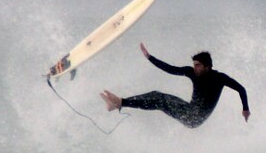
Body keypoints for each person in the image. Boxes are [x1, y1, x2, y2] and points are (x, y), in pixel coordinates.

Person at [102, 43, 250, 128]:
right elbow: (170, 69)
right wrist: (149, 57)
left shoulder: (219, 78)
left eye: (198, 65)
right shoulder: (192, 72)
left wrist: (245, 109)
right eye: (194, 65)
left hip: (194, 118)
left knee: (159, 99)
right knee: (157, 96)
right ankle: (118, 104)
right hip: (188, 109)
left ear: (207, 66)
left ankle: (120, 102)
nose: (195, 68)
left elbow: (241, 89)